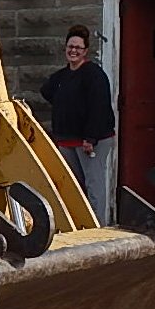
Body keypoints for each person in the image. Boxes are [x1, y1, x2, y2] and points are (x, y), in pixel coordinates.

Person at [40, 24, 116, 222]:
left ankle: (98, 227)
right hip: (67, 140)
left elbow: (99, 108)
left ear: (85, 51)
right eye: (70, 46)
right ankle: (80, 225)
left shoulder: (94, 75)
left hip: (90, 142)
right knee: (74, 187)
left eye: (78, 47)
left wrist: (90, 138)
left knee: (93, 185)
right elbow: (46, 90)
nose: (73, 51)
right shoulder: (62, 76)